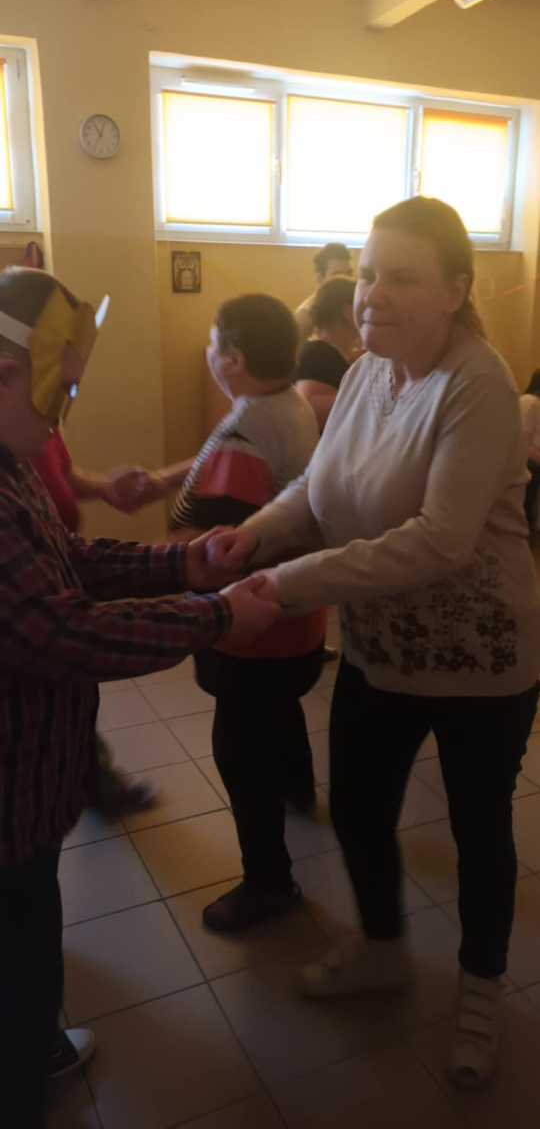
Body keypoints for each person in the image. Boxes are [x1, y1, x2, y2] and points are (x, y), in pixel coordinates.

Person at [208, 197, 540, 1091]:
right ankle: (386, 951)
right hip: (379, 650)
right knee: (358, 809)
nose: (372, 295)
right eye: (365, 273)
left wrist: (287, 583)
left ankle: (480, 986)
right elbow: (316, 490)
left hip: (479, 662)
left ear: (455, 290)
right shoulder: (364, 374)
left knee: (477, 830)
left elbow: (439, 540)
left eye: (401, 277)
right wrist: (259, 533)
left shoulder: (477, 385)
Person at [0, 266, 279, 1128]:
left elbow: (71, 564)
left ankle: (32, 1045)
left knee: (31, 936)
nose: (61, 414)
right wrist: (213, 615)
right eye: (59, 388)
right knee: (17, 950)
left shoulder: (12, 463)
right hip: (5, 797)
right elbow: (61, 630)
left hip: (32, 784)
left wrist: (182, 562)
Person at [170, 294, 326, 931]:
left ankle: (269, 881)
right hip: (296, 623)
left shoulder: (245, 432)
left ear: (232, 358)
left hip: (250, 632)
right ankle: (299, 789)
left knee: (240, 748)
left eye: (213, 344)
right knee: (277, 711)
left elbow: (214, 549)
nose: (209, 353)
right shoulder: (288, 405)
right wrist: (165, 479)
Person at [31, 428, 164, 814]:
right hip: (39, 598)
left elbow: (63, 476)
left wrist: (104, 486)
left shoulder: (40, 422)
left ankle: (95, 781)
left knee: (72, 697)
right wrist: (214, 615)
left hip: (60, 575)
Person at [295, 276, 360, 432]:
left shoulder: (324, 352)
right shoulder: (319, 355)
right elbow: (310, 409)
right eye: (363, 307)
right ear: (349, 313)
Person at [294, 242, 353, 344]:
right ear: (320, 279)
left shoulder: (349, 311)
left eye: (349, 274)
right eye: (338, 276)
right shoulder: (305, 317)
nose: (346, 281)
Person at [519, 369, 540, 528]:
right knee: (532, 468)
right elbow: (521, 444)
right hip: (522, 458)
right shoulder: (530, 402)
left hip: (532, 456)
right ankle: (525, 523)